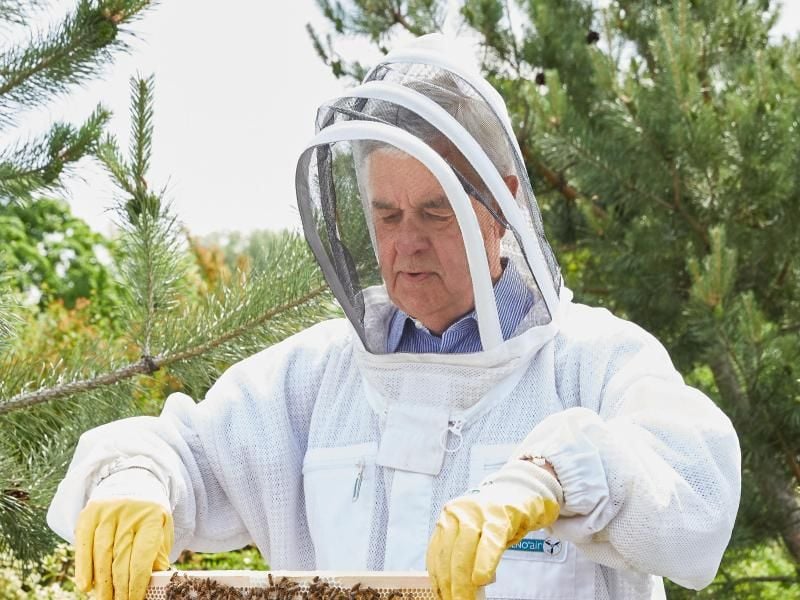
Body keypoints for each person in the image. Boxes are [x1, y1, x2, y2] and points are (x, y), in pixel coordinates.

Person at [47, 34, 740, 600]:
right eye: (386, 213)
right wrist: (133, 480)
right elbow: (186, 453)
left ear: (500, 204)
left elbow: (698, 493)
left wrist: (555, 476)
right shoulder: (314, 377)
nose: (406, 242)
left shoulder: (593, 360)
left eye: (435, 211)